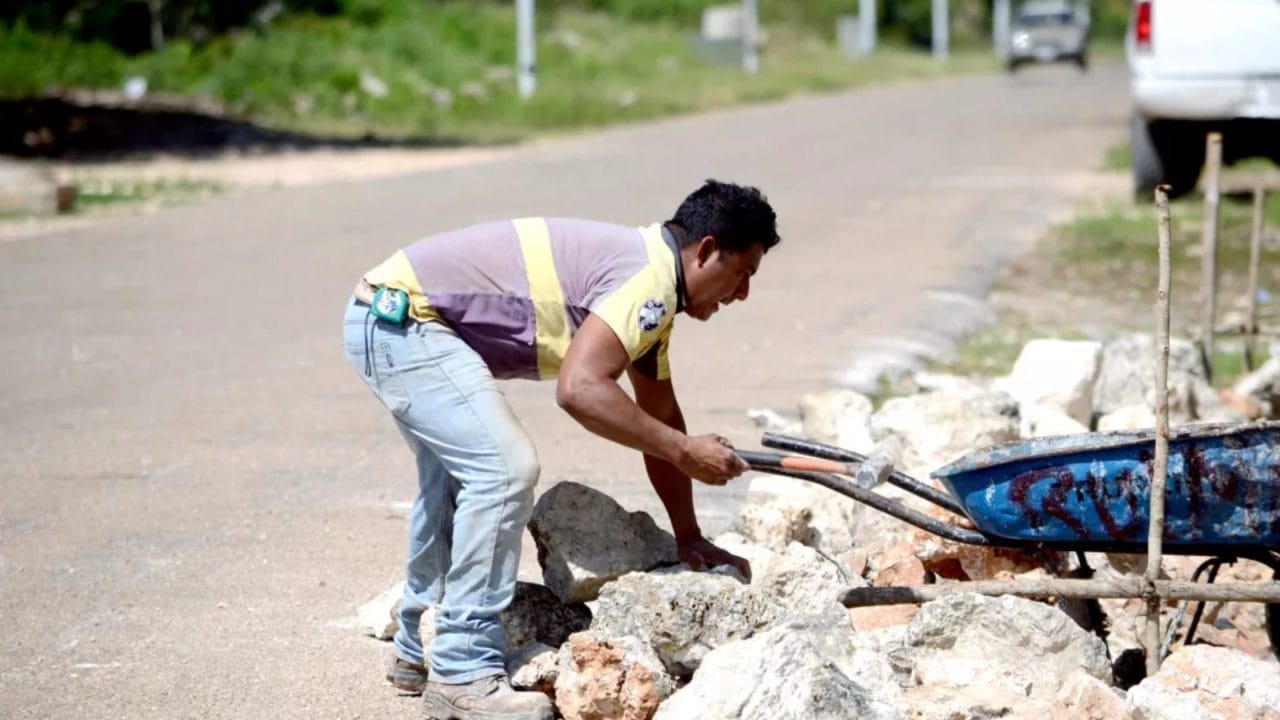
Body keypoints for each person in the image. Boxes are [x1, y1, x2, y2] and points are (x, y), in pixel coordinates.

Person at [342, 179, 780, 720]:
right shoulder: (649, 282)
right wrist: (686, 451)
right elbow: (581, 389)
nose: (742, 294)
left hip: (390, 318)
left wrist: (688, 535)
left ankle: (418, 645)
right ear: (707, 250)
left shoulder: (653, 293)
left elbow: (663, 418)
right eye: (743, 274)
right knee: (503, 471)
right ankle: (462, 672)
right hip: (404, 323)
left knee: (459, 480)